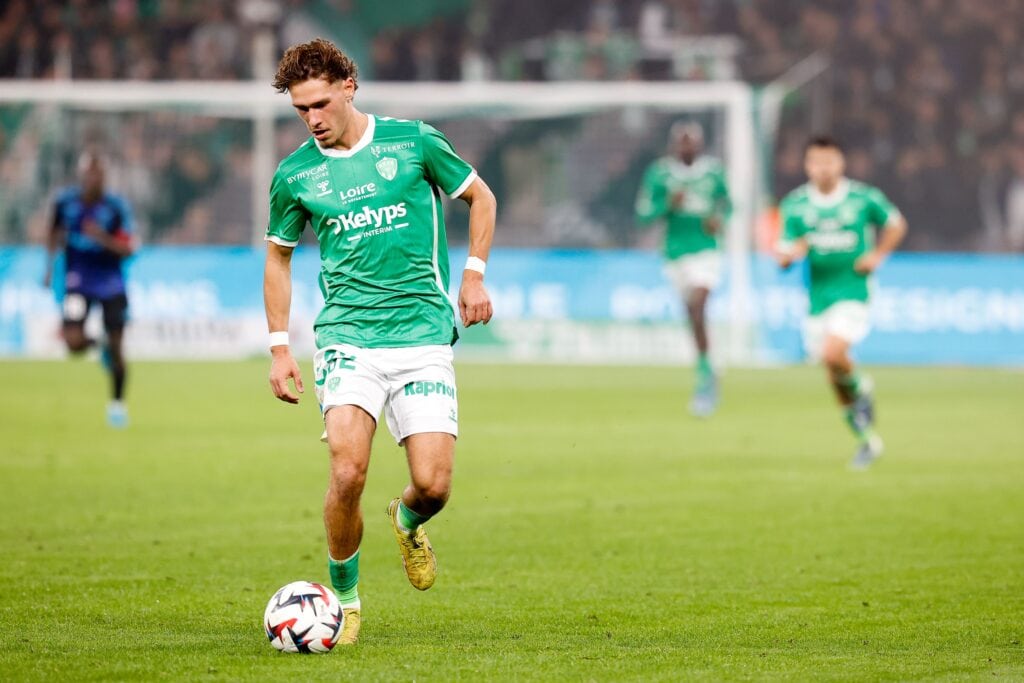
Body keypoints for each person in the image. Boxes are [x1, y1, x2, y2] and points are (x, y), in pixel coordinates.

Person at [263, 38, 496, 646]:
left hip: (422, 335)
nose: (312, 119)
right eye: (300, 109)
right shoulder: (294, 175)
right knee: (347, 470)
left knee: (434, 485)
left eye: (320, 103)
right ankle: (343, 603)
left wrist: (473, 275)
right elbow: (278, 259)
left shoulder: (413, 142)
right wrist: (280, 348)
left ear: (349, 87)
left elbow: (481, 197)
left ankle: (408, 520)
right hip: (348, 338)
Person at [775, 135, 907, 469]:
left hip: (854, 290)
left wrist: (877, 255)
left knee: (833, 354)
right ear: (807, 166)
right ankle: (867, 441)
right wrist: (790, 254)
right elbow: (785, 251)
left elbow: (896, 224)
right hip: (818, 297)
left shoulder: (862, 198)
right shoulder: (795, 204)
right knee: (833, 372)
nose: (823, 168)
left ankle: (862, 386)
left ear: (840, 163)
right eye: (816, 162)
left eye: (829, 161)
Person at [635, 121, 731, 417]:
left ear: (700, 145)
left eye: (692, 141)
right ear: (674, 145)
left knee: (698, 305)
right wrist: (667, 204)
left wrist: (719, 220)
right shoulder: (660, 174)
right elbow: (643, 215)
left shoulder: (713, 173)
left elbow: (729, 205)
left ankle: (705, 376)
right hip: (675, 254)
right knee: (692, 314)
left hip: (706, 250)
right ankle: (708, 363)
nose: (687, 147)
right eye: (682, 142)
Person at [44, 152, 136, 428]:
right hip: (78, 281)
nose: (94, 178)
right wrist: (49, 267)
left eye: (99, 174)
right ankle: (99, 345)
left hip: (110, 283)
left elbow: (127, 249)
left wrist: (101, 237)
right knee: (72, 341)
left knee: (118, 348)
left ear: (105, 177)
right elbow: (53, 232)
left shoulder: (116, 207)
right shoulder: (65, 203)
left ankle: (117, 405)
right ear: (82, 175)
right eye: (89, 173)